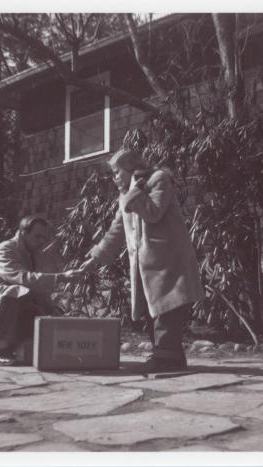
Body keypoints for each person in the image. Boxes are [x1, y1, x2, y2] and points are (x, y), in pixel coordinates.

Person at [81, 148, 204, 372]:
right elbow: (116, 231)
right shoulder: (126, 195)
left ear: (131, 169)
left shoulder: (159, 180)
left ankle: (166, 358)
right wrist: (96, 257)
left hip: (168, 260)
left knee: (167, 308)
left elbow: (154, 212)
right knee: (152, 310)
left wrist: (135, 191)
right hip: (146, 265)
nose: (114, 177)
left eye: (117, 172)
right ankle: (168, 356)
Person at [0, 215, 83, 365]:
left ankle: (21, 345)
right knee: (16, 291)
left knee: (43, 311)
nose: (41, 242)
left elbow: (38, 286)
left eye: (44, 238)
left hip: (20, 303)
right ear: (23, 233)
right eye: (37, 237)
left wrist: (52, 310)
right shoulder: (4, 249)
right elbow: (22, 278)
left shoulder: (34, 255)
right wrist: (61, 277)